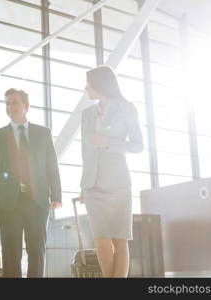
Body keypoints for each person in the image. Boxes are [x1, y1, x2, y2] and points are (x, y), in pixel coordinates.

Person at [0, 88, 62, 278]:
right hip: (9, 202)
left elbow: (52, 165)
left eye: (15, 102)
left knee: (36, 251)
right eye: (8, 103)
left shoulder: (43, 133)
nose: (11, 106)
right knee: (11, 253)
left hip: (38, 200)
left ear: (26, 105)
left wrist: (56, 194)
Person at [79, 65, 143, 277]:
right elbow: (85, 153)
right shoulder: (87, 114)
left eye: (88, 83)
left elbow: (137, 145)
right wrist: (83, 185)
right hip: (92, 186)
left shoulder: (127, 108)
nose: (86, 88)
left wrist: (109, 143)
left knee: (119, 240)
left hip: (117, 184)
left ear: (99, 84)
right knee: (100, 240)